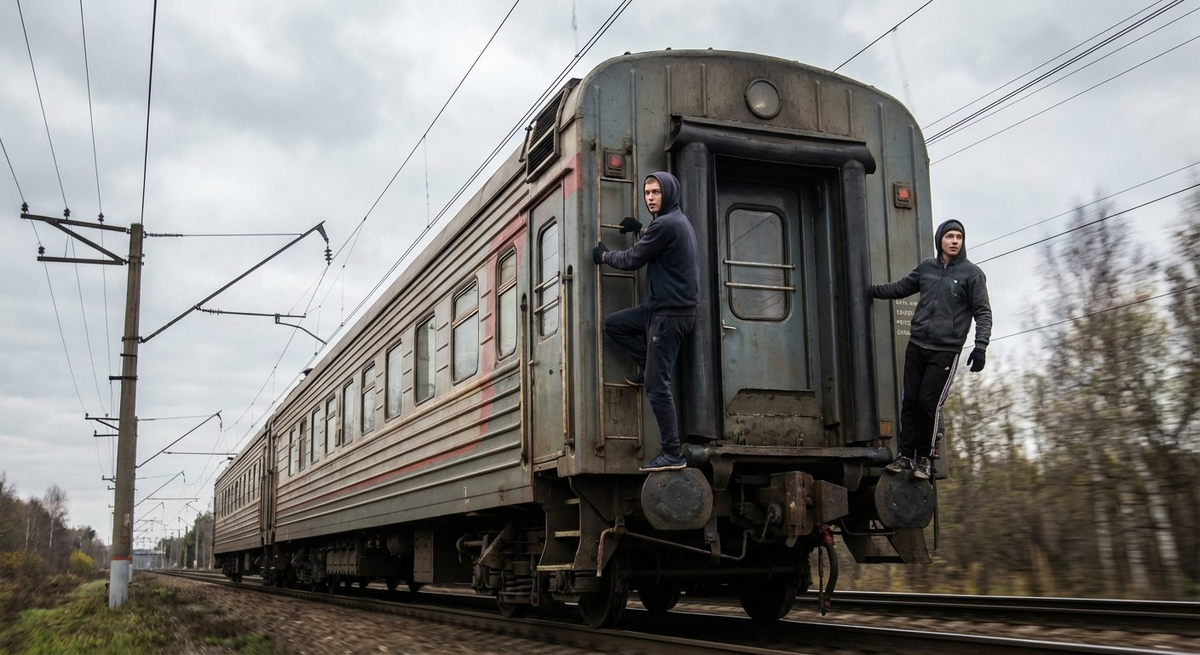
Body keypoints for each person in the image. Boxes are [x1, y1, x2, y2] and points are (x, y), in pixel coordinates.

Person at [593, 171, 699, 472]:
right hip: (663, 310)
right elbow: (658, 245)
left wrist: (604, 256)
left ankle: (672, 453)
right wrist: (641, 229)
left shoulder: (665, 224)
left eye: (656, 192)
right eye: (647, 192)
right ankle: (646, 364)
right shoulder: (676, 220)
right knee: (614, 324)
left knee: (656, 386)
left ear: (669, 193)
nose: (650, 197)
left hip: (668, 315)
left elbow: (632, 260)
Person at [870, 219, 992, 480]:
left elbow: (983, 313)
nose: (955, 241)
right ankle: (905, 456)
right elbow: (901, 287)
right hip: (917, 345)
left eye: (959, 237)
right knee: (910, 401)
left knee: (929, 403)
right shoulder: (927, 267)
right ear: (940, 240)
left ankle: (924, 459)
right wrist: (870, 291)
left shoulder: (972, 274)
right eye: (950, 236)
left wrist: (980, 346)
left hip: (945, 351)